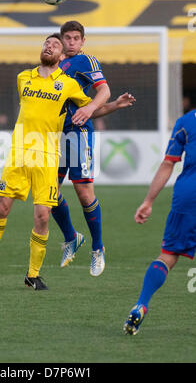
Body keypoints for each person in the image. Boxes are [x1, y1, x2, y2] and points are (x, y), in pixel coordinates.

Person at [0, 33, 101, 291]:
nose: (49, 46)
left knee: (43, 216)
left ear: (61, 55)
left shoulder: (67, 85)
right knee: (1, 209)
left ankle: (32, 275)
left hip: (47, 157)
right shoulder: (24, 78)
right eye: (46, 43)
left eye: (55, 44)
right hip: (19, 153)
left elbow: (89, 108)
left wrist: (116, 105)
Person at [51, 20, 135, 276]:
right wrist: (107, 107)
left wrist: (91, 108)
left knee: (84, 193)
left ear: (83, 41)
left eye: (77, 38)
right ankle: (72, 238)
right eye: (69, 38)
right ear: (62, 39)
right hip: (54, 135)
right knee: (48, 192)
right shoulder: (54, 66)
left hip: (78, 135)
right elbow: (82, 107)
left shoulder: (86, 62)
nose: (72, 42)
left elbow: (104, 90)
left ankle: (98, 248)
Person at [123, 108, 196, 335]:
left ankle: (141, 304)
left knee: (168, 256)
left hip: (187, 196)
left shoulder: (186, 121)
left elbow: (168, 163)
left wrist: (148, 201)